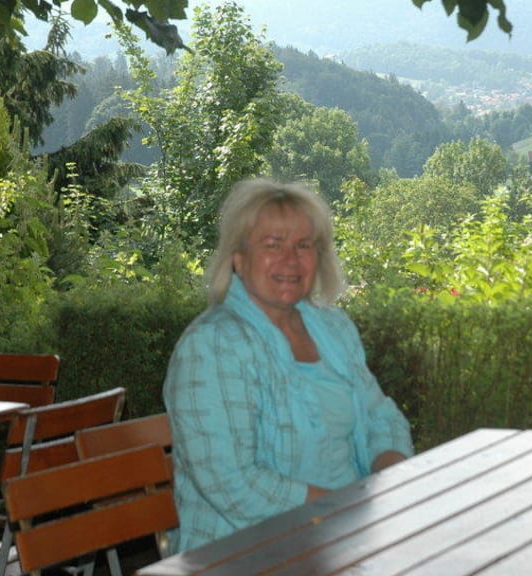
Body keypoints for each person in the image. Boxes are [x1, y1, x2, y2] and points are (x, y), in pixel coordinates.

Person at [163, 177, 414, 552]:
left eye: (303, 245)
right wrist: (345, 511)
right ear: (238, 257)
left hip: (344, 535)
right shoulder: (211, 346)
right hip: (245, 553)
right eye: (272, 244)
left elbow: (381, 418)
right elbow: (233, 484)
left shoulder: (334, 329)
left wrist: (395, 485)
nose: (290, 260)